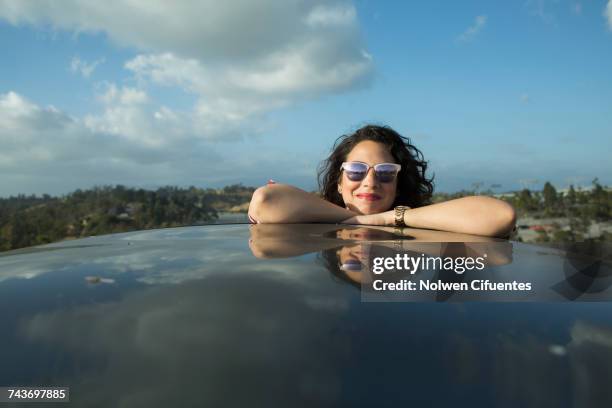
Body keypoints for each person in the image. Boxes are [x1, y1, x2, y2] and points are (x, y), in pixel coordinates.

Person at [248, 125, 516, 238]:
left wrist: (386, 219)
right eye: (355, 170)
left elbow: (501, 216)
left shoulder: (420, 226)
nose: (370, 181)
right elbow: (266, 201)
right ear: (339, 182)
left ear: (398, 183)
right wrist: (351, 218)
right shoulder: (317, 229)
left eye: (386, 172)